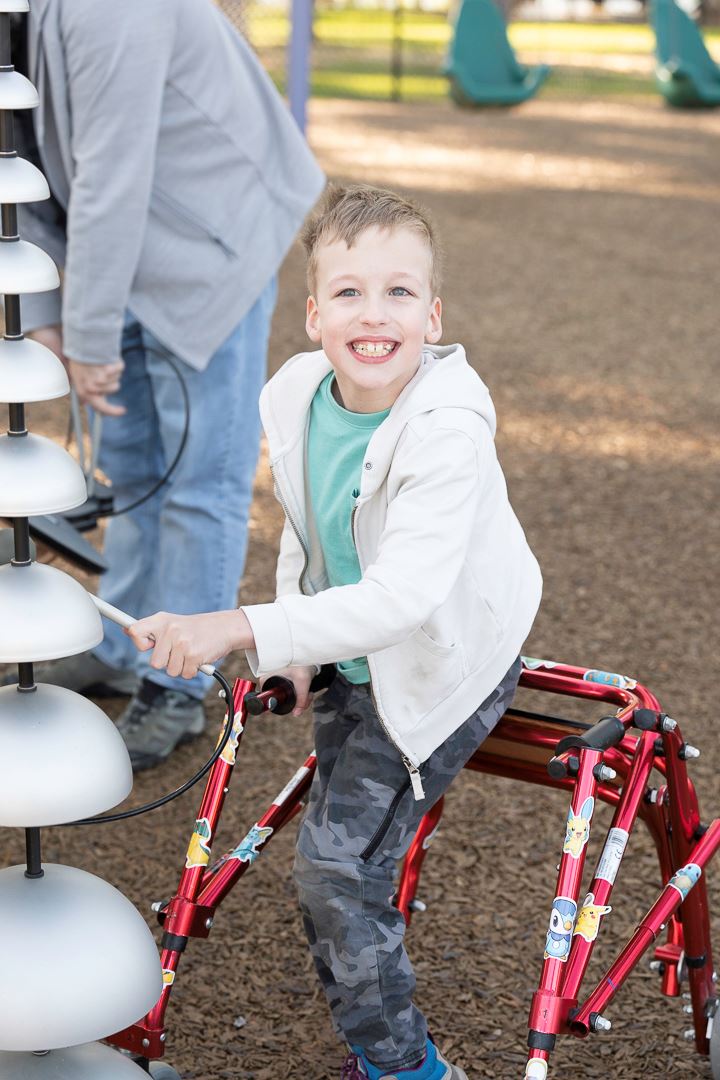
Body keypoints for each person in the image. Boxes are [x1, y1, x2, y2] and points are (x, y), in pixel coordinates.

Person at [126, 185, 542, 1079]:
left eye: (399, 292)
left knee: (336, 872)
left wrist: (240, 627)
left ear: (433, 315)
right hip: (350, 636)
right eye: (349, 292)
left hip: (439, 653)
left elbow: (406, 599)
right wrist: (301, 650)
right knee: (337, 859)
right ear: (314, 315)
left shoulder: (448, 427)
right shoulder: (300, 393)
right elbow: (308, 529)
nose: (374, 313)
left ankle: (406, 1068)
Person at [13, 0, 325, 770]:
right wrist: (51, 310)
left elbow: (113, 170)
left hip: (211, 239)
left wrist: (84, 337)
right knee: (136, 471)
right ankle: (126, 648)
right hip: (125, 242)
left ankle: (178, 683)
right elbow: (19, 154)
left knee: (198, 481)